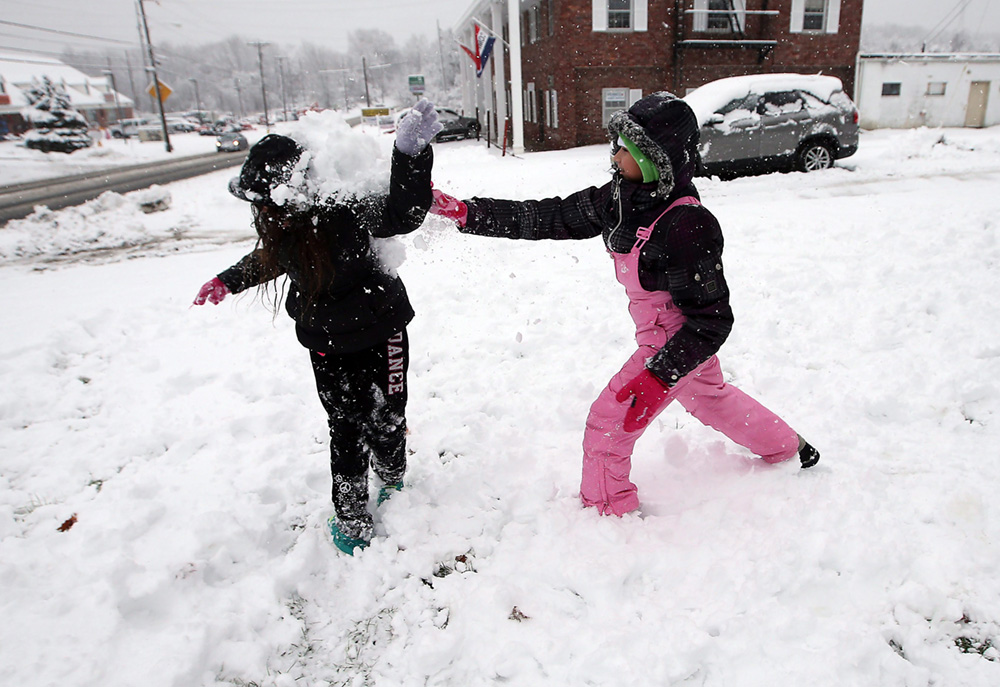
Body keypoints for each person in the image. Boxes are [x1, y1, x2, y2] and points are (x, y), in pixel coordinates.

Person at [430, 92, 819, 517]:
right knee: (710, 397)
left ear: (657, 158)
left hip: (677, 342)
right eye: (616, 144)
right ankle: (790, 447)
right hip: (670, 340)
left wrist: (658, 376)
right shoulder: (620, 199)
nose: (614, 155)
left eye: (626, 148)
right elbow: (548, 216)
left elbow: (711, 322)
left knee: (609, 421)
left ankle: (606, 514)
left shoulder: (688, 224)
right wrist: (467, 213)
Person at [193, 100, 442, 553]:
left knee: (388, 416)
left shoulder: (344, 207)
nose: (267, 213)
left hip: (382, 329)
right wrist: (228, 281)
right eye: (260, 205)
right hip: (327, 343)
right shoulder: (281, 227)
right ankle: (350, 518)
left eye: (270, 202)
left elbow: (403, 215)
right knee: (345, 428)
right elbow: (269, 259)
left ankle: (392, 476)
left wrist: (410, 155)